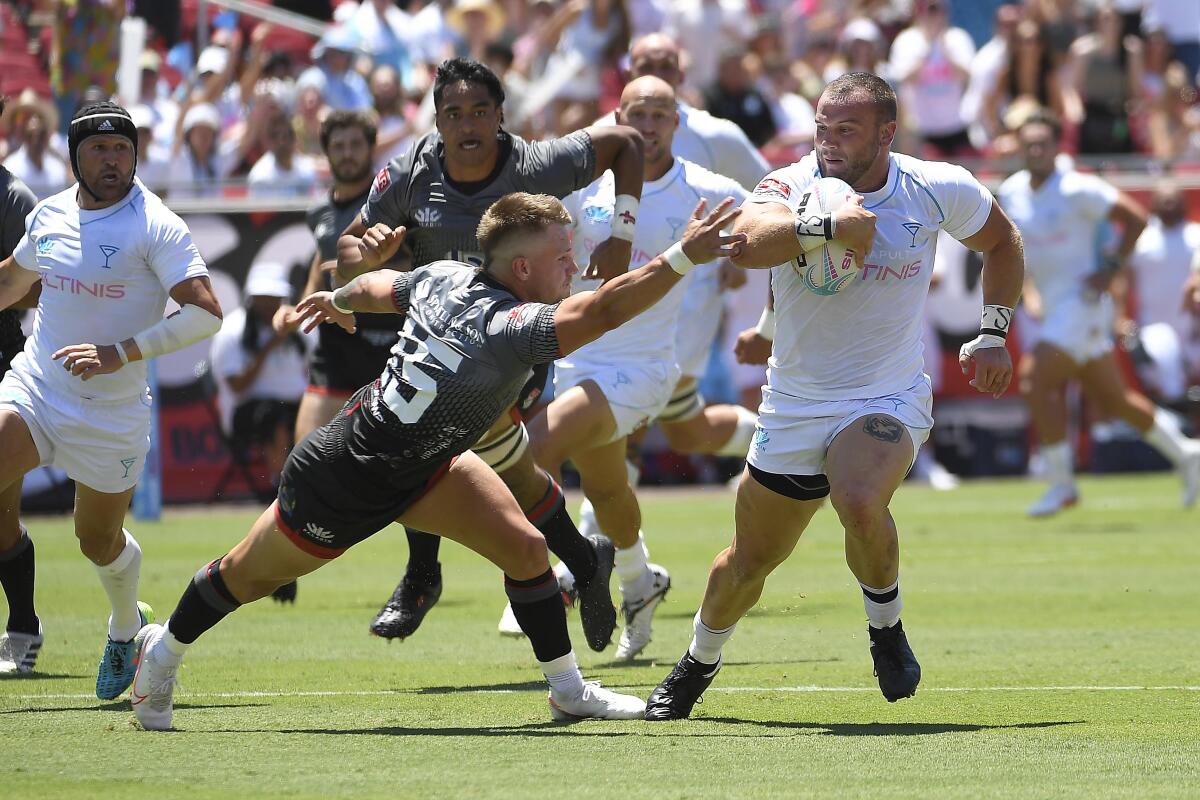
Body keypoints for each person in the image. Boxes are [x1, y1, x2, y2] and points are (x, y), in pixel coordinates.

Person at [127, 191, 744, 731]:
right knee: (247, 577)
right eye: (563, 255)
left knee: (527, 551)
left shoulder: (445, 273)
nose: (576, 265)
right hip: (346, 473)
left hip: (428, 464)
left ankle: (568, 691)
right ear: (522, 266)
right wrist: (685, 254)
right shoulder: (514, 324)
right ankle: (161, 655)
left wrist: (338, 295)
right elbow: (605, 309)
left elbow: (379, 287)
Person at [644, 72, 1026, 720]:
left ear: (887, 133)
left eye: (846, 129)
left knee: (856, 496)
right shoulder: (791, 184)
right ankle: (697, 662)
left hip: (886, 395)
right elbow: (750, 240)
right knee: (750, 562)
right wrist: (827, 225)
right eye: (823, 127)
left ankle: (886, 626)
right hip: (795, 402)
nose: (829, 141)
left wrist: (993, 333)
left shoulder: (933, 187)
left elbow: (1001, 241)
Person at [343, 58, 645, 649]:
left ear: (502, 115)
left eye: (480, 110)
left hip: (516, 348)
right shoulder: (409, 172)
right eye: (454, 114)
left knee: (428, 450)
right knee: (499, 474)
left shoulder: (532, 164)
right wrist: (367, 250)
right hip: (435, 349)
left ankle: (443, 576)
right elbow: (347, 249)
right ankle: (579, 564)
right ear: (436, 121)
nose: (468, 124)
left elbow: (626, 142)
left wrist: (623, 233)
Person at [502, 76, 748, 660]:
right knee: (609, 492)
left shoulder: (705, 190)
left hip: (643, 367)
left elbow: (765, 217)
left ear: (678, 122)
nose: (650, 124)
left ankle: (572, 572)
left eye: (662, 113)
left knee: (536, 444)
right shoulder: (585, 190)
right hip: (579, 358)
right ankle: (640, 582)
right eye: (639, 112)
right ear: (618, 117)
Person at [0, 101, 223, 694]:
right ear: (75, 157)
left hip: (113, 413)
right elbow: (9, 283)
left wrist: (116, 353)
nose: (111, 160)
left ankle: (128, 624)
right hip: (38, 388)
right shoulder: (47, 215)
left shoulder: (156, 223)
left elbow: (206, 314)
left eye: (121, 149)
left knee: (95, 541)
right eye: (98, 149)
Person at [1000, 111, 1200, 516]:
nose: (1035, 149)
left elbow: (1136, 219)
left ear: (1057, 147)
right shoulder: (1011, 191)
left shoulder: (1079, 188)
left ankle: (1061, 484)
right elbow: (1016, 250)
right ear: (1018, 146)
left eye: (1043, 142)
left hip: (1084, 305)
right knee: (1116, 400)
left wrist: (1107, 272)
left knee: (1034, 381)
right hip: (1054, 307)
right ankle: (1188, 452)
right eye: (1028, 143)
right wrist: (1031, 291)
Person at [270, 110, 397, 604]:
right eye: (337, 145)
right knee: (302, 460)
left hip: (391, 347)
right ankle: (281, 560)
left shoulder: (391, 200)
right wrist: (294, 307)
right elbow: (319, 276)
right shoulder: (319, 212)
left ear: (370, 148)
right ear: (327, 153)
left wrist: (364, 274)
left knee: (413, 467)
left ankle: (422, 571)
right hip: (336, 350)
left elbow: (409, 266)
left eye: (354, 144)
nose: (346, 153)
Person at [0, 99, 38, 674]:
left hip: (1, 360)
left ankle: (23, 624)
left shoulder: (15, 198)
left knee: (0, 515)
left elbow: (38, 288)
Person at [210, 270, 308, 491]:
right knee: (275, 415)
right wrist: (269, 347)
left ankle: (314, 484)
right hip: (245, 414)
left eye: (274, 298)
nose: (269, 305)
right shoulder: (232, 330)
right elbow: (238, 386)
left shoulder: (298, 328)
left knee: (317, 411)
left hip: (295, 405)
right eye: (263, 298)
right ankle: (283, 485)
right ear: (251, 299)